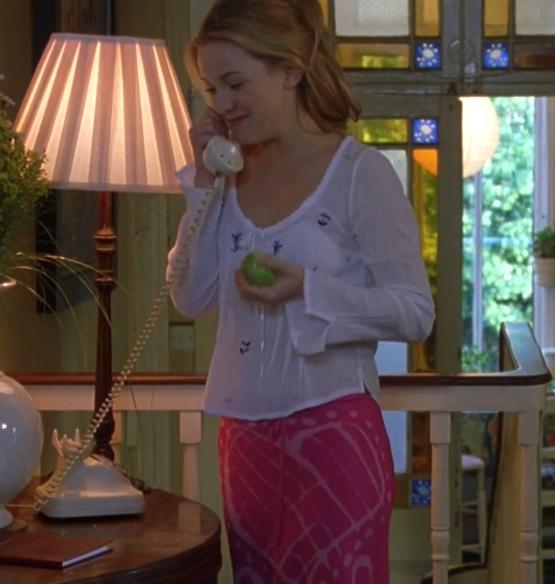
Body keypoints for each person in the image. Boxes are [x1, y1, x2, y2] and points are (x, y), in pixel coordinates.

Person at [167, 1, 435, 582]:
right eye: (212, 89)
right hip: (243, 440)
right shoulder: (225, 175)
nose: (222, 104)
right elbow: (189, 295)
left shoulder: (360, 174)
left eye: (235, 83)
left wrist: (307, 289)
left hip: (336, 434)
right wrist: (204, 180)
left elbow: (416, 313)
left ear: (290, 71)